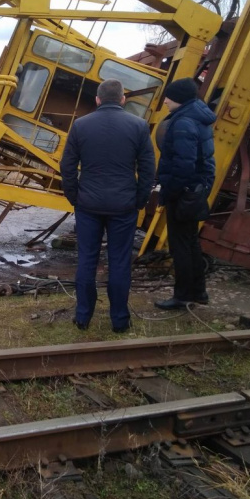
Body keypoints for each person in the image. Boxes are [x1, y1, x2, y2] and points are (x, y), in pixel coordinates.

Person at [60, 79, 156, 333]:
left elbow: (67, 166)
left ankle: (83, 317)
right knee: (120, 262)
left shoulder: (80, 126)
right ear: (123, 99)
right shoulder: (138, 126)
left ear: (97, 100)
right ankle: (119, 321)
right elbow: (148, 168)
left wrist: (75, 197)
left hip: (88, 205)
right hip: (124, 206)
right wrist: (140, 199)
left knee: (87, 260)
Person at [154, 77, 216, 311]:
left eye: (169, 97)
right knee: (190, 242)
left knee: (180, 245)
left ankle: (182, 296)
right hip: (195, 189)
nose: (166, 101)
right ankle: (198, 292)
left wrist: (169, 191)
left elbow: (184, 165)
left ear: (179, 98)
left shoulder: (183, 122)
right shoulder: (198, 117)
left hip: (184, 192)